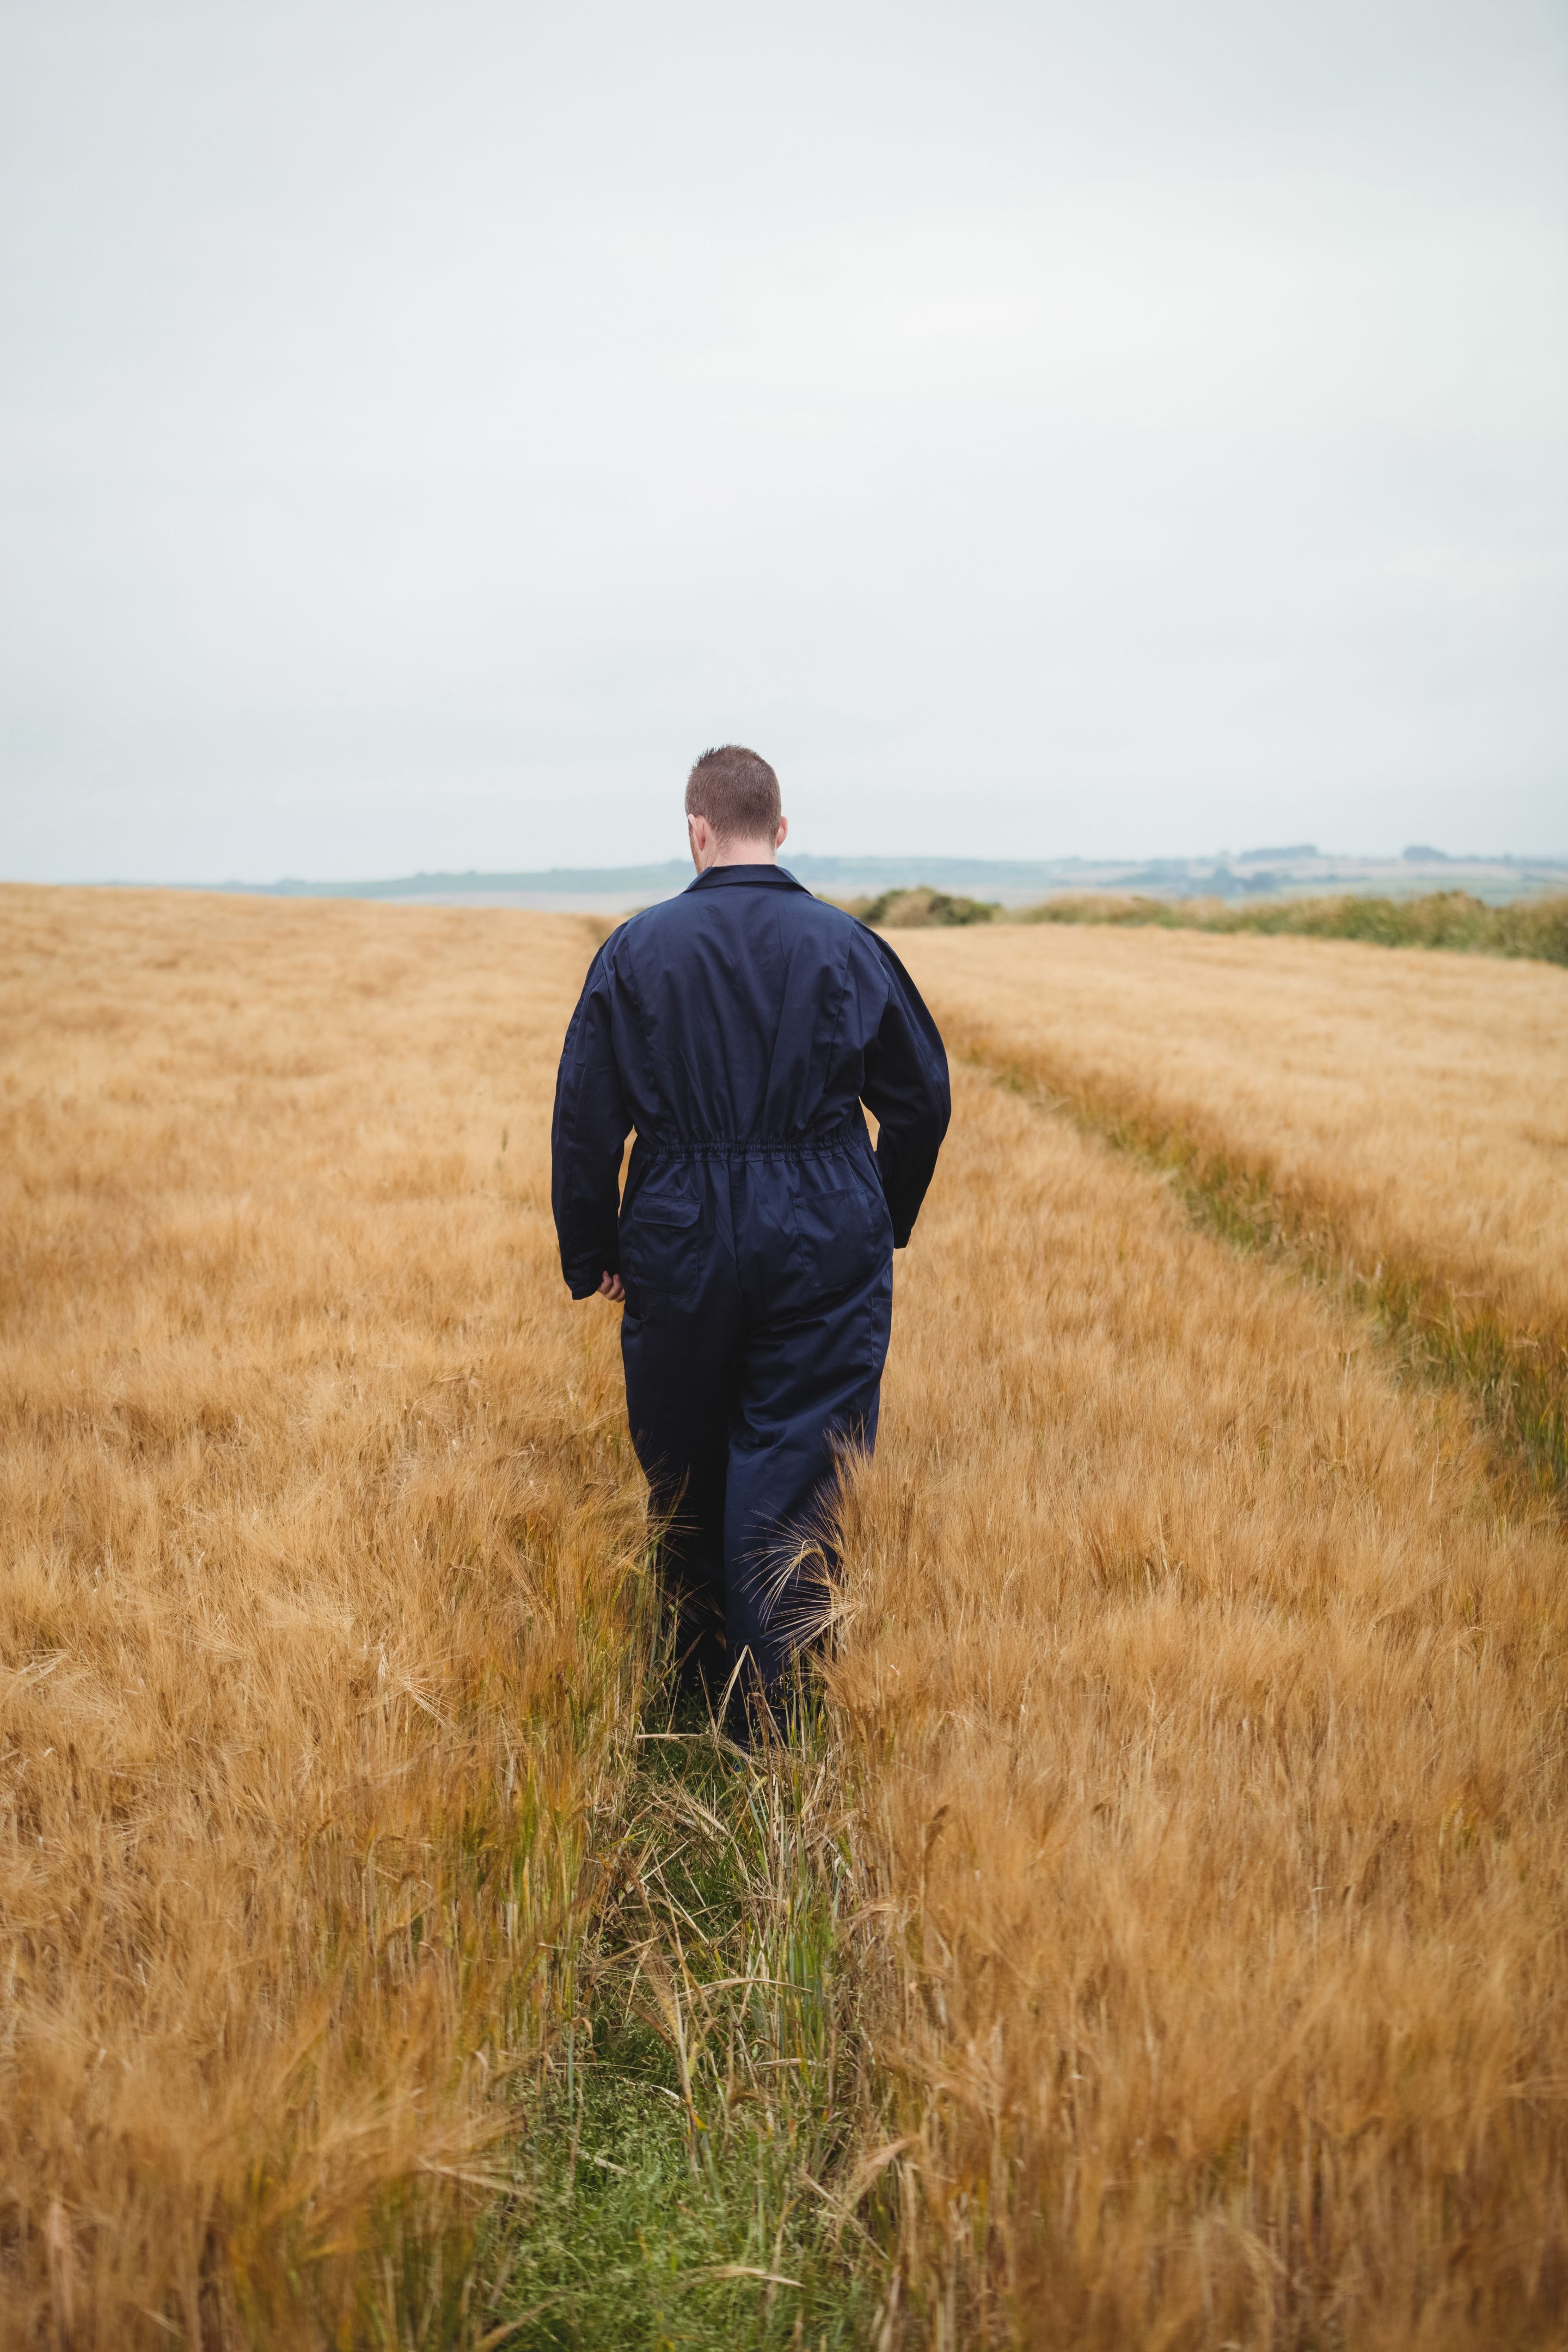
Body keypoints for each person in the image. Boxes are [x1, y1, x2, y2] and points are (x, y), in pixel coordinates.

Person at [550, 745, 950, 1729]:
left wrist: (592, 1246)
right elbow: (923, 1100)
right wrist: (879, 1215)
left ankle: (687, 1683)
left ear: (695, 833)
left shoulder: (634, 952)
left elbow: (585, 1118)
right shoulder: (847, 946)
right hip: (823, 1222)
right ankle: (776, 1717)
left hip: (677, 1224)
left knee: (683, 1452)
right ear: (779, 830)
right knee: (800, 1456)